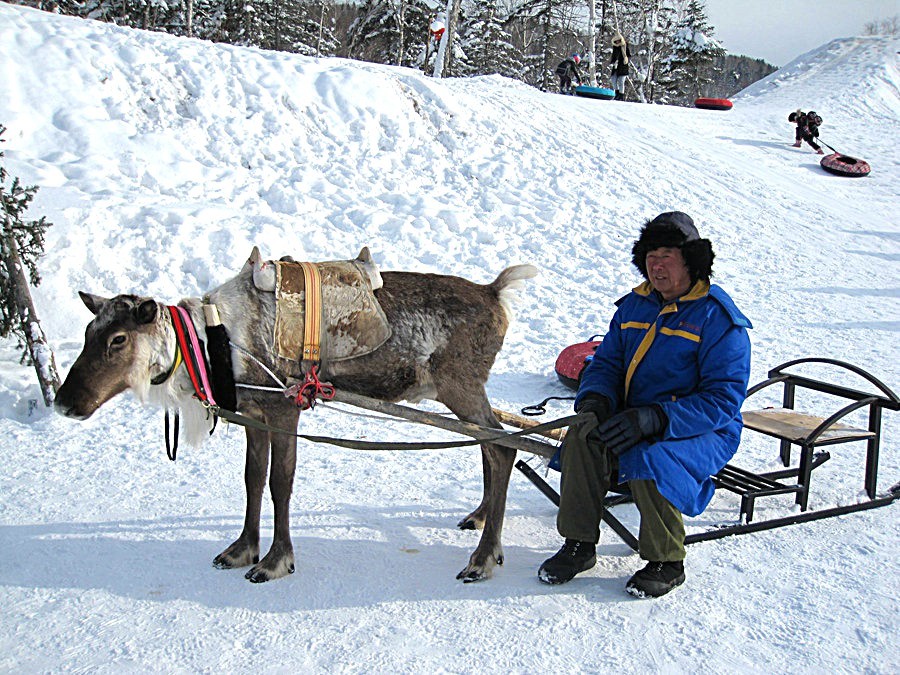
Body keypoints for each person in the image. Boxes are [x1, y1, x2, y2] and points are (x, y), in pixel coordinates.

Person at [538, 211, 752, 598]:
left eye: (667, 254)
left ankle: (667, 561)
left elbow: (723, 400)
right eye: (651, 255)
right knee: (584, 434)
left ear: (691, 261)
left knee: (652, 456)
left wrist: (657, 417)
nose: (656, 264)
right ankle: (579, 544)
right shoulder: (634, 306)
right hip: (634, 414)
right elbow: (607, 363)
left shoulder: (717, 318)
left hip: (701, 428)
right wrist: (598, 399)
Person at [609, 34, 631, 101]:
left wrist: (626, 59)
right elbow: (613, 56)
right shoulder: (615, 48)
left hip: (623, 67)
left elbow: (629, 56)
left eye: (618, 41)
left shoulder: (625, 46)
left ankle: (621, 95)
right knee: (613, 80)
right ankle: (617, 93)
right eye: (616, 41)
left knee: (621, 81)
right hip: (615, 67)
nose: (617, 42)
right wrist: (612, 62)